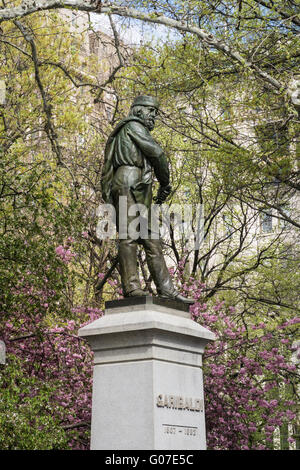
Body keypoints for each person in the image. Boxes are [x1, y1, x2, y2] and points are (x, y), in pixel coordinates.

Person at [101, 95, 194, 304]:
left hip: (140, 185)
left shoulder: (133, 127)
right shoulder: (133, 125)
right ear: (138, 109)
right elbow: (157, 154)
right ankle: (132, 287)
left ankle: (166, 289)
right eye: (150, 110)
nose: (153, 116)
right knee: (130, 236)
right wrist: (165, 182)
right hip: (128, 182)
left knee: (151, 239)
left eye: (155, 112)